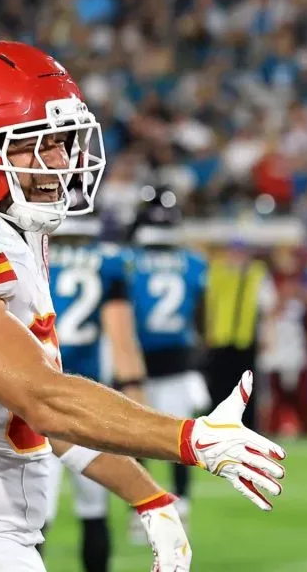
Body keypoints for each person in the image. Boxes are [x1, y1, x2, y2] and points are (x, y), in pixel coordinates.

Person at [0, 41, 285, 572]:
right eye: (35, 144)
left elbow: (47, 420)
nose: (60, 161)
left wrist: (149, 496)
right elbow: (44, 400)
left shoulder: (10, 233)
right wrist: (190, 438)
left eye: (62, 141)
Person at [45, 217, 187, 572]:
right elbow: (122, 341)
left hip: (36, 395)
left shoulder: (31, 252)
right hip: (86, 399)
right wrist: (135, 399)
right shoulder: (108, 262)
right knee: (93, 512)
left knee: (32, 518)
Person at [123, 184, 211, 529]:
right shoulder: (192, 261)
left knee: (134, 436)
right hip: (177, 356)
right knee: (178, 437)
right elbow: (201, 312)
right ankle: (182, 501)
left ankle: (140, 505)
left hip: (137, 357)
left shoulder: (129, 261)